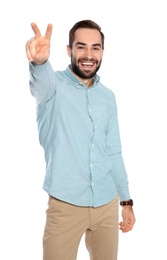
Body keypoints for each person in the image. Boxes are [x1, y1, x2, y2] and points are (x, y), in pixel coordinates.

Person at [25, 19, 136, 260]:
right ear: (69, 50)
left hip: (107, 203)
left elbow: (113, 151)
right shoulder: (52, 87)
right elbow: (39, 84)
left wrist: (126, 201)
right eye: (81, 46)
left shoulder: (108, 97)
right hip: (66, 205)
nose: (88, 54)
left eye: (95, 48)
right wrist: (39, 62)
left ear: (102, 52)